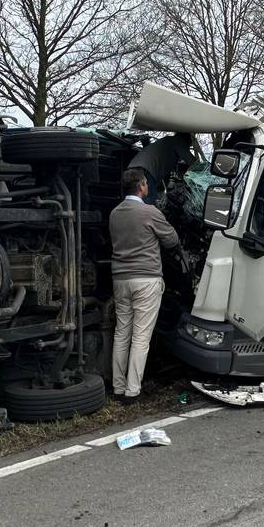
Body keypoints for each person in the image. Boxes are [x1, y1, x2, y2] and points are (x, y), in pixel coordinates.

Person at [108, 168, 180, 403]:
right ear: (140, 186)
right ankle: (132, 391)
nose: (148, 187)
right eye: (146, 183)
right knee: (140, 337)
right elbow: (172, 240)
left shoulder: (114, 214)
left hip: (120, 279)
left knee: (121, 333)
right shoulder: (150, 212)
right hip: (146, 280)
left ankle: (118, 388)